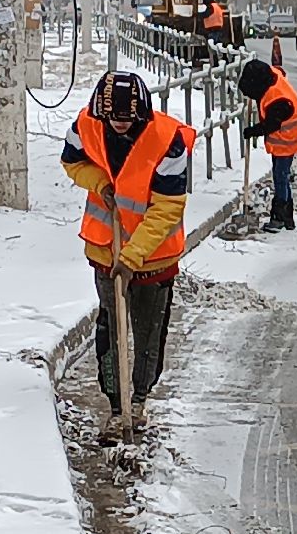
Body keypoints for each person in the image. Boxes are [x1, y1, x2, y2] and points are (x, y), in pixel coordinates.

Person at [60, 72, 196, 434]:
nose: (120, 125)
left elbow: (168, 208)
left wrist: (133, 257)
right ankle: (116, 404)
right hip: (105, 251)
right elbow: (73, 162)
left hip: (155, 259)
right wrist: (100, 184)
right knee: (110, 327)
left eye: (128, 120)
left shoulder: (168, 142)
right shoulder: (86, 123)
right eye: (114, 119)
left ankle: (139, 400)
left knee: (148, 331)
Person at [236, 60, 297, 234]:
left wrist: (252, 131)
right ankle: (287, 217)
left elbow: (271, 125)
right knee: (282, 176)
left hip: (289, 140)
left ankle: (279, 217)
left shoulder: (278, 100)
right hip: (283, 140)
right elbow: (279, 71)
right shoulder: (272, 76)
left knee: (280, 176)